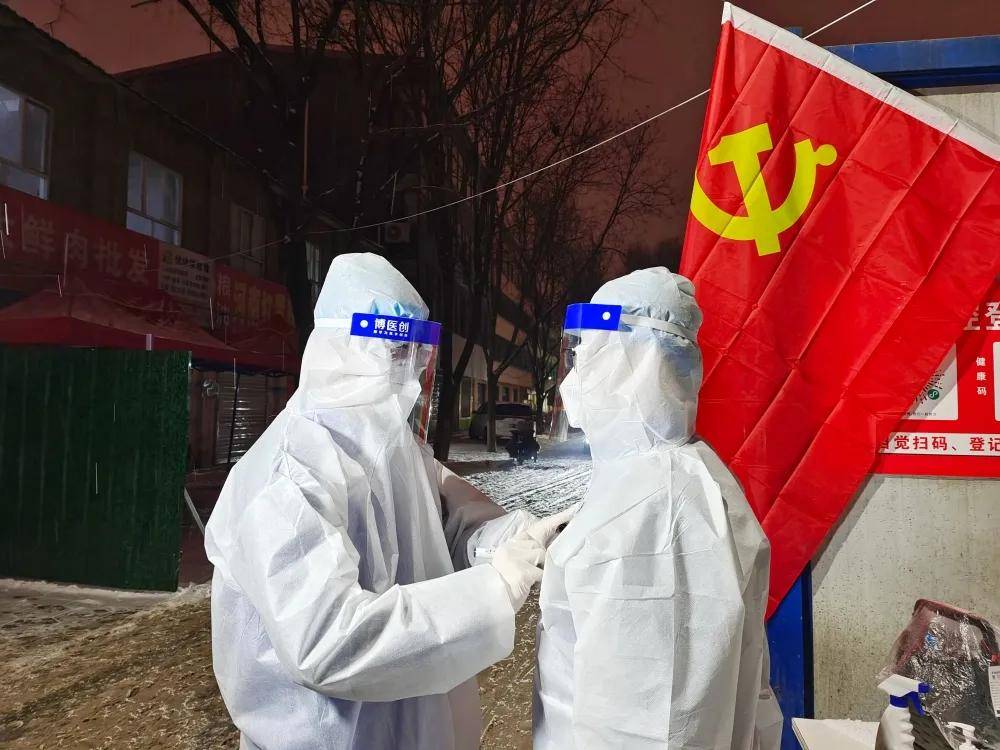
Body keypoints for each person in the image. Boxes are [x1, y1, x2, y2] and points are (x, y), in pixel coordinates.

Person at [206, 252, 570, 750]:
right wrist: (493, 588)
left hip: (418, 726)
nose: (410, 375)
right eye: (396, 352)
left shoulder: (394, 449)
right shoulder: (286, 477)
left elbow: (452, 520)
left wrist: (512, 538)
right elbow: (329, 643)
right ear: (345, 347)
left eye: (415, 355)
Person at [534, 267, 784, 749]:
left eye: (589, 352)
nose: (575, 374)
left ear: (636, 362)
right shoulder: (679, 476)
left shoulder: (652, 509)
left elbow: (648, 727)